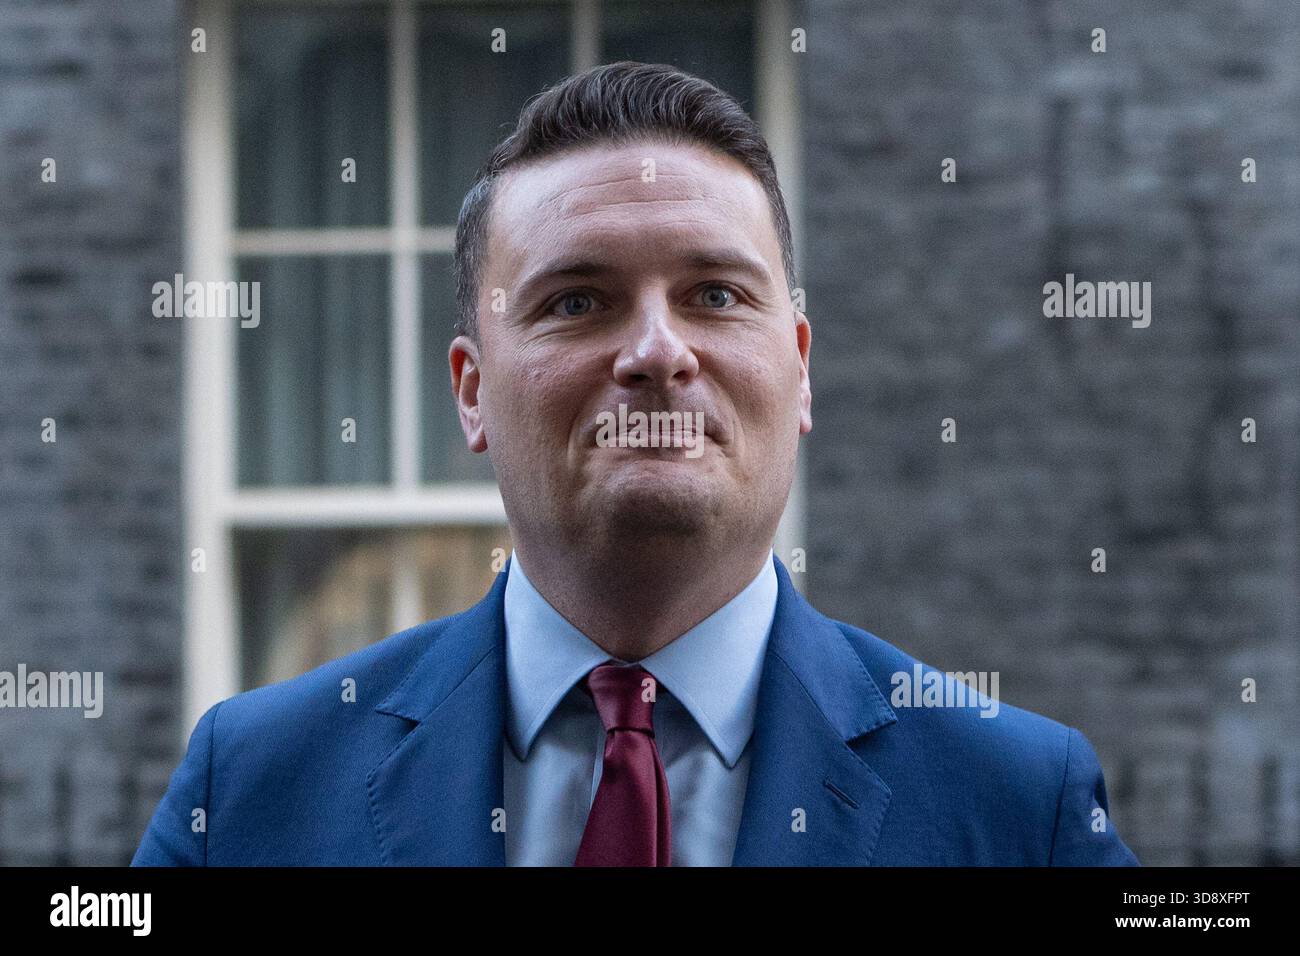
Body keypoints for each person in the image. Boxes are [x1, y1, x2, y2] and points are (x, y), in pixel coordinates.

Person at [133, 61, 1138, 866]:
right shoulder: (254, 785)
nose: (657, 350)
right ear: (472, 389)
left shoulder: (1016, 801)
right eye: (576, 300)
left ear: (798, 371)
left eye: (713, 294)